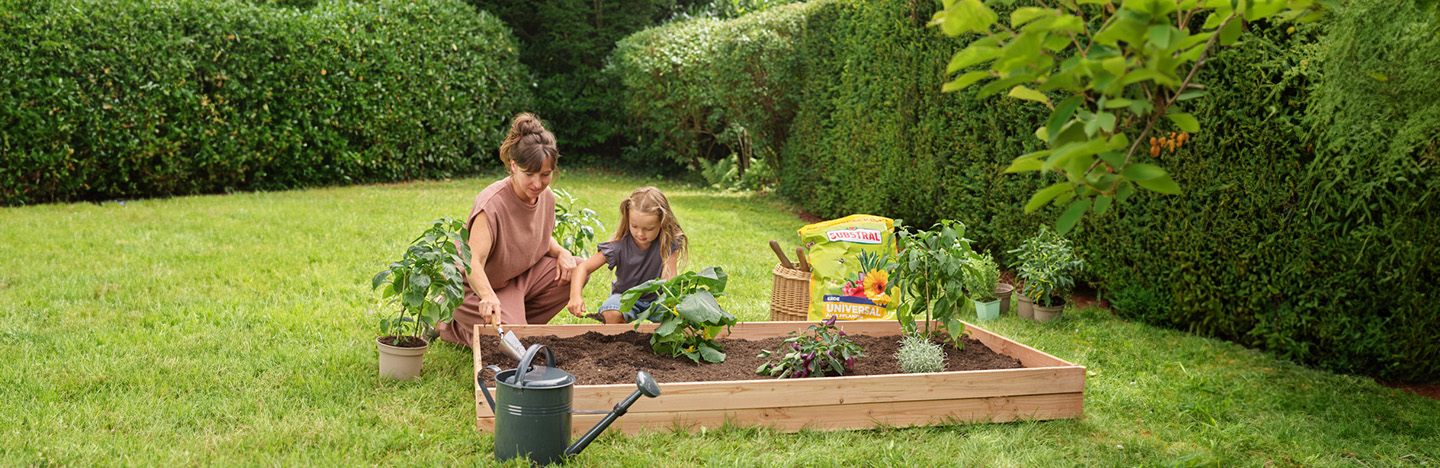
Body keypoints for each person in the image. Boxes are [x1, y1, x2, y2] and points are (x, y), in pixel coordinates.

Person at [433, 113, 577, 348]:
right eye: (529, 174)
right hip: (473, 286)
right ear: (513, 165)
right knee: (510, 342)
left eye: (545, 174)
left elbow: (537, 236)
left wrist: (562, 252)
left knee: (576, 270)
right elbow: (473, 263)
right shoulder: (492, 204)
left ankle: (513, 324)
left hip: (515, 279)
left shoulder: (546, 197)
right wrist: (488, 296)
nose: (537, 184)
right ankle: (448, 321)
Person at [566, 186, 688, 324]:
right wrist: (575, 297)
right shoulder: (618, 247)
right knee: (611, 314)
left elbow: (670, 280)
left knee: (677, 318)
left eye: (649, 229)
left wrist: (677, 306)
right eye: (634, 226)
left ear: (662, 223)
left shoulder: (667, 244)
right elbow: (583, 267)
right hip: (624, 298)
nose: (640, 233)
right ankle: (623, 336)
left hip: (658, 300)